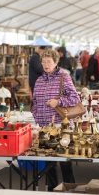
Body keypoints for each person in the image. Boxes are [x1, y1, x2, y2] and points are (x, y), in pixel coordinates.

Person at [32, 49, 79, 190]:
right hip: (44, 128)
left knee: (64, 161)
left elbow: (75, 98)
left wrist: (58, 101)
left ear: (56, 62)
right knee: (48, 163)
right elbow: (34, 101)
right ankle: (52, 190)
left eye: (49, 61)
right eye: (43, 61)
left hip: (61, 126)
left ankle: (70, 189)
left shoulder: (64, 77)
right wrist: (36, 115)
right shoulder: (39, 80)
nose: (46, 64)